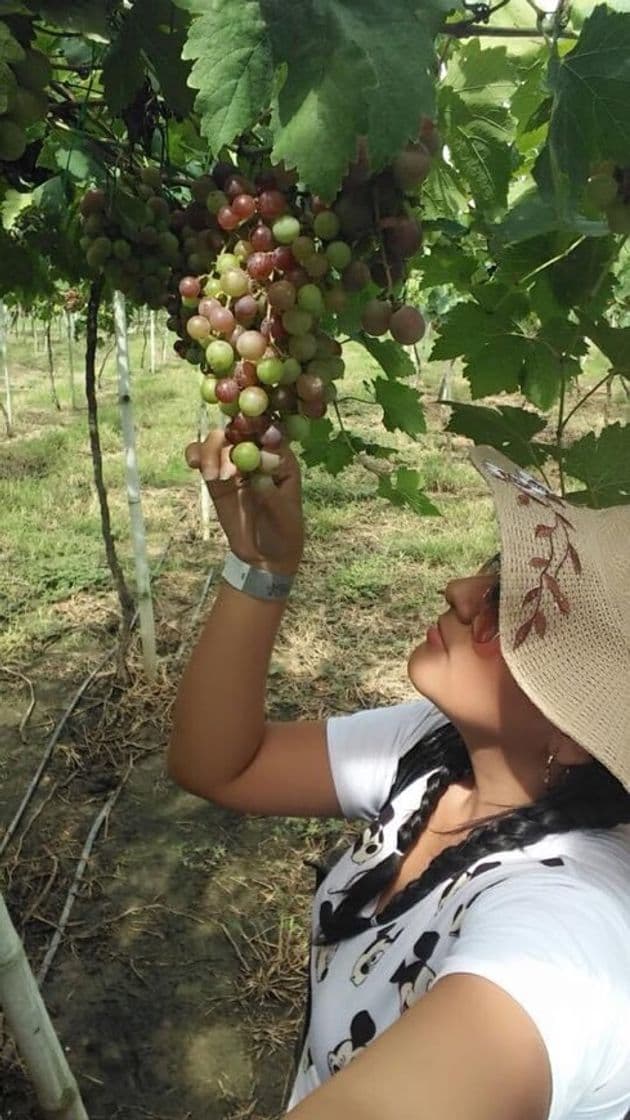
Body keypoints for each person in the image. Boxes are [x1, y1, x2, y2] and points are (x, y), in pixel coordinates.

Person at [168, 430, 630, 1120]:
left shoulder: (572, 929)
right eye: (495, 570)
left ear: (574, 733)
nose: (462, 589)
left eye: (507, 603)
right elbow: (222, 766)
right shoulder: (440, 751)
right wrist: (263, 567)